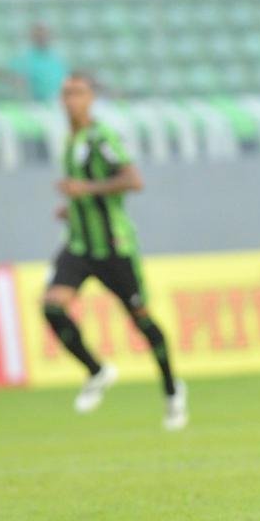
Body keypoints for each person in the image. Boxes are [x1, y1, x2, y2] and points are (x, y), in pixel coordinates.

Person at [42, 73, 188, 430]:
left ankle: (172, 389)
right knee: (52, 306)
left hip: (113, 248)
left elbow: (132, 180)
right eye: (65, 93)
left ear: (91, 98)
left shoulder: (101, 137)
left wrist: (85, 190)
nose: (70, 100)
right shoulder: (70, 140)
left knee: (141, 319)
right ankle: (96, 370)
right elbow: (85, 192)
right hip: (80, 244)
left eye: (77, 93)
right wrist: (73, 208)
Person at [8, 23, 68, 101]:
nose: (42, 38)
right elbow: (18, 83)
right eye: (38, 36)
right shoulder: (24, 60)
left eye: (45, 35)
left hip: (59, 100)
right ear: (32, 37)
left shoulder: (58, 58)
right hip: (36, 102)